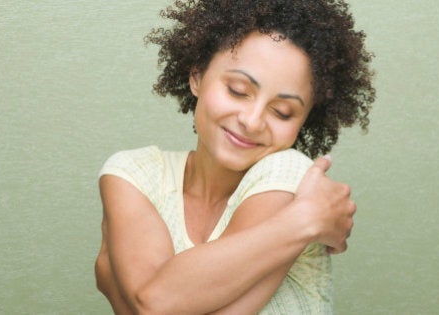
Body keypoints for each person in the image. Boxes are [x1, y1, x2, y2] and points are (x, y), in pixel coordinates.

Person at [95, 0, 375, 313]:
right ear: (197, 75)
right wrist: (303, 222)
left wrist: (115, 287)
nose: (252, 121)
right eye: (238, 90)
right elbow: (155, 305)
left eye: (282, 112)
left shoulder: (290, 175)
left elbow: (154, 304)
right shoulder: (135, 174)